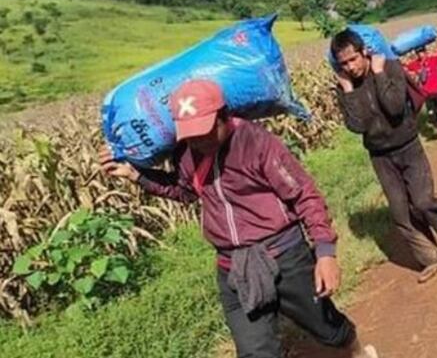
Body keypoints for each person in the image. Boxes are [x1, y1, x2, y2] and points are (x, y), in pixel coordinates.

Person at [99, 79, 377, 358]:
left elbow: (304, 195)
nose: (199, 141)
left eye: (205, 131)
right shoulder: (185, 152)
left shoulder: (256, 143)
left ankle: (357, 352)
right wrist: (137, 176)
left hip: (284, 257)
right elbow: (184, 191)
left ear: (224, 116)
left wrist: (325, 252)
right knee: (254, 352)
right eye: (191, 134)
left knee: (327, 329)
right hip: (233, 266)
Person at [331, 29, 437, 284]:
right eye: (343, 63)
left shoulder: (390, 67)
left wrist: (379, 74)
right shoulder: (345, 86)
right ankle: (430, 257)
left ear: (364, 53)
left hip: (408, 146)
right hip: (380, 156)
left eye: (353, 59)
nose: (350, 67)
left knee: (422, 202)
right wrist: (348, 91)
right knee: (401, 214)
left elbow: (393, 107)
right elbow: (358, 125)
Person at [406, 46, 437, 142]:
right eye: (418, 53)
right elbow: (405, 67)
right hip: (426, 94)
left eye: (422, 53)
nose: (420, 55)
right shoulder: (415, 64)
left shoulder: (432, 60)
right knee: (432, 115)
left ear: (425, 52)